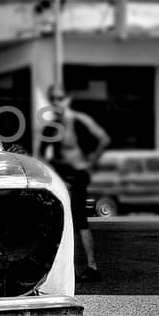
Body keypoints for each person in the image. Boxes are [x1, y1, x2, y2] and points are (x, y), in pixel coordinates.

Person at [39, 84, 110, 281]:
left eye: (60, 98)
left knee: (79, 220)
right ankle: (59, 270)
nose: (57, 102)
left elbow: (103, 139)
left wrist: (90, 164)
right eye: (53, 99)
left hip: (76, 175)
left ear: (68, 99)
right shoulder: (52, 126)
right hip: (61, 176)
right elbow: (43, 153)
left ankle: (92, 267)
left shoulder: (79, 120)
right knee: (59, 220)